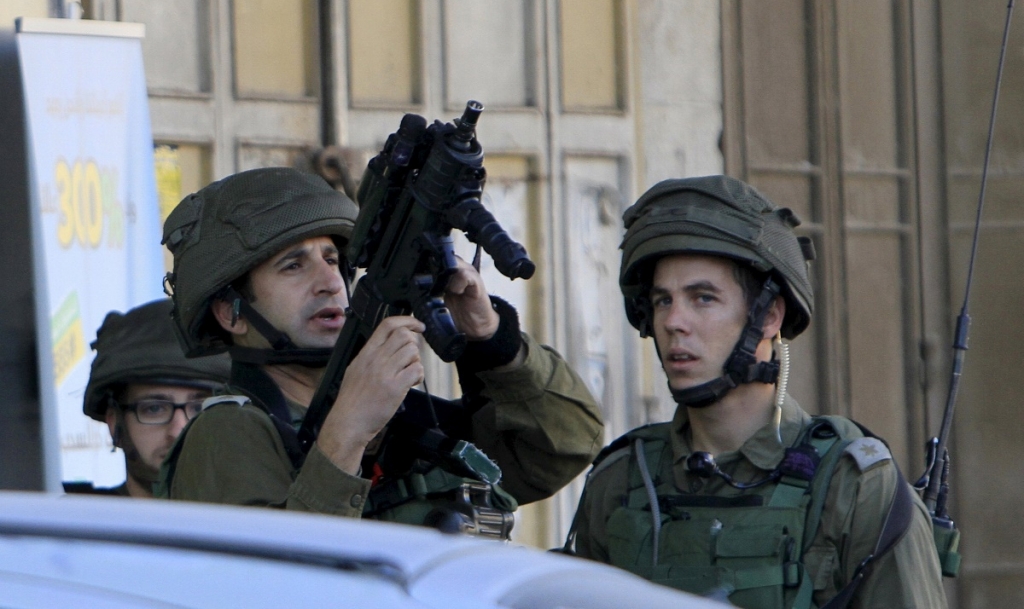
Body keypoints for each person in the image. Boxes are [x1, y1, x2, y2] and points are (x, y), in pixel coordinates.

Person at [564, 176, 946, 608]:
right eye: (662, 301)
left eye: (703, 298)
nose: (674, 322)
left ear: (769, 316)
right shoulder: (622, 480)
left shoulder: (853, 487)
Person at [156, 167, 603, 537]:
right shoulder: (228, 432)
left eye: (332, 259)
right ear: (231, 314)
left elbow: (561, 449)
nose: (330, 282)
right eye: (293, 265)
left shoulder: (401, 418)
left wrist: (491, 341)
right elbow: (275, 586)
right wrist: (346, 435)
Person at [66, 299, 231, 498]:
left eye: (200, 408)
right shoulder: (70, 523)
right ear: (115, 423)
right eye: (154, 409)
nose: (178, 430)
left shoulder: (265, 523)